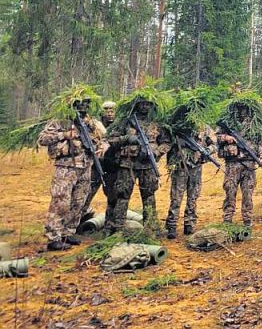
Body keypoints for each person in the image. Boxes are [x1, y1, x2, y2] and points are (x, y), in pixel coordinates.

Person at [38, 87, 107, 251]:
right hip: (66, 167)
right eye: (80, 103)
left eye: (86, 103)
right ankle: (53, 237)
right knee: (61, 202)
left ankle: (67, 233)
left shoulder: (91, 122)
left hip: (85, 166)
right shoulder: (61, 121)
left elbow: (104, 139)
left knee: (78, 202)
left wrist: (103, 147)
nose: (83, 106)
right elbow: (43, 139)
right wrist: (64, 135)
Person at [107, 93, 169, 233]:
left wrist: (157, 152)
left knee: (149, 195)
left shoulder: (157, 123)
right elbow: (111, 140)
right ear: (136, 105)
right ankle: (118, 228)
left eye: (147, 104)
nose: (144, 106)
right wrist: (127, 138)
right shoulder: (125, 121)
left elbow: (166, 142)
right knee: (122, 195)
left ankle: (151, 227)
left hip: (147, 165)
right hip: (127, 165)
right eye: (142, 104)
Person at [164, 94, 218, 239]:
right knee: (176, 198)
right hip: (181, 167)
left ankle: (189, 224)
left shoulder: (205, 128)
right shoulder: (179, 127)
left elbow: (215, 144)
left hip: (196, 168)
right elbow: (168, 143)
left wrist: (207, 152)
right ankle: (171, 226)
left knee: (193, 197)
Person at [217, 98, 262, 229]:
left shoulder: (254, 124)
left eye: (244, 108)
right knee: (230, 192)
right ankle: (227, 219)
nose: (242, 111)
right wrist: (225, 137)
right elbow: (215, 137)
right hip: (232, 165)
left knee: (248, 194)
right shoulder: (229, 123)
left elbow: (261, 142)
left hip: (249, 165)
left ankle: (247, 220)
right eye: (239, 108)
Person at [80, 100, 117, 218]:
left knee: (112, 195)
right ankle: (79, 218)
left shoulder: (119, 125)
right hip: (96, 165)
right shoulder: (94, 125)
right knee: (88, 192)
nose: (110, 113)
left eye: (112, 111)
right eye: (107, 110)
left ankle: (110, 222)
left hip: (112, 166)